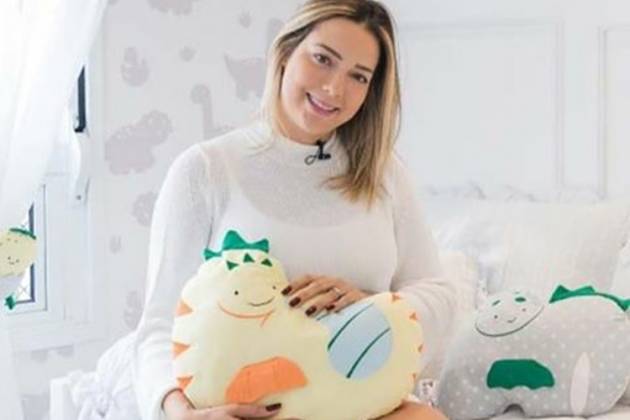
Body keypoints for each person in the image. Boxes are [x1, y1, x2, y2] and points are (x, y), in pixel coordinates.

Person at [132, 0, 455, 419]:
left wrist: (368, 306)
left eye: (358, 76)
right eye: (323, 59)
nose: (334, 89)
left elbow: (439, 296)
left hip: (360, 406)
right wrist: (180, 413)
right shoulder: (206, 170)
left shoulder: (384, 174)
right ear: (285, 52)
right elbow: (159, 326)